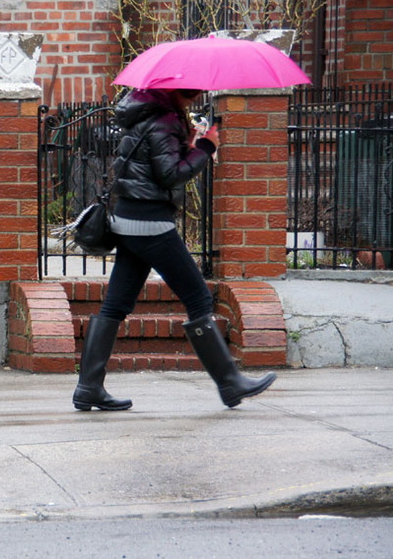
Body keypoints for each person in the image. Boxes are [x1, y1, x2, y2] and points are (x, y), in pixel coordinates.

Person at [73, 88, 276, 411]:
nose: (196, 97)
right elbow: (170, 175)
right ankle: (230, 382)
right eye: (194, 93)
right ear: (184, 92)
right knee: (198, 298)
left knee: (116, 305)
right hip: (151, 224)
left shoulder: (146, 115)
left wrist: (188, 145)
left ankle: (88, 388)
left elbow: (154, 165)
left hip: (128, 219)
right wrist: (206, 147)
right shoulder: (165, 121)